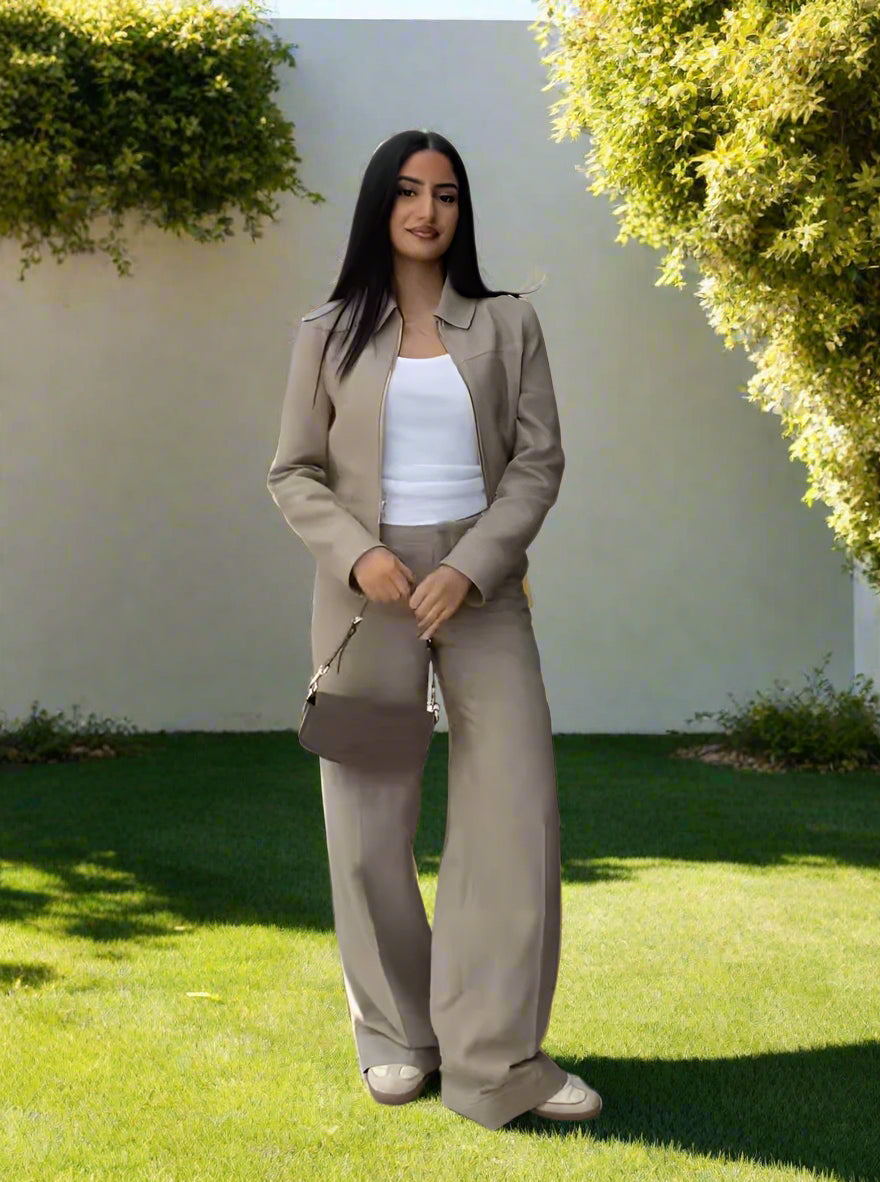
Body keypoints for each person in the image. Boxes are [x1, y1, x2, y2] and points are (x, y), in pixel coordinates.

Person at [266, 129, 602, 1131]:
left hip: (479, 583)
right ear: (380, 206)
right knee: (368, 828)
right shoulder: (324, 333)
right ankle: (394, 1037)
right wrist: (358, 554)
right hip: (366, 593)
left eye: (445, 194)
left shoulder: (507, 324)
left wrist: (468, 565)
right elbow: (292, 471)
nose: (427, 210)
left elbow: (537, 464)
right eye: (408, 192)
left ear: (461, 211)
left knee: (513, 816)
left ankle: (497, 1061)